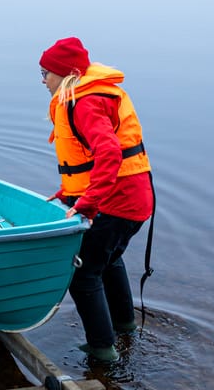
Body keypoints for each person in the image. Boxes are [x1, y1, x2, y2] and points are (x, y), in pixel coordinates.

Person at [40, 36, 154, 363]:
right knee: (109, 261)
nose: (44, 81)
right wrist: (69, 193)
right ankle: (125, 326)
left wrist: (88, 203)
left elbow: (108, 152)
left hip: (114, 204)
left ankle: (103, 351)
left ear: (66, 74)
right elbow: (92, 160)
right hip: (135, 199)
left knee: (83, 273)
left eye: (47, 73)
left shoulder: (85, 102)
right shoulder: (93, 95)